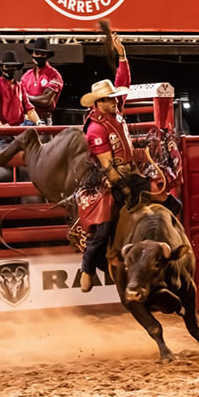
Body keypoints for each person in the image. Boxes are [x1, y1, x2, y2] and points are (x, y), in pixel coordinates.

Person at [78, 33, 132, 293]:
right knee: (104, 226)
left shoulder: (114, 111)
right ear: (99, 103)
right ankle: (87, 267)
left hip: (127, 170)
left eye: (113, 98)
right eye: (109, 99)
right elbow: (107, 165)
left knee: (169, 202)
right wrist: (122, 185)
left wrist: (122, 56)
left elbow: (124, 82)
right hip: (104, 180)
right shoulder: (95, 130)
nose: (114, 101)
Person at [0, 50, 43, 152]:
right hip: (2, 135)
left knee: (22, 163)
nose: (11, 69)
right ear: (1, 68)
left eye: (13, 67)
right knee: (3, 164)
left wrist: (39, 122)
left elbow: (29, 108)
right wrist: (0, 127)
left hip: (18, 132)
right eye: (7, 67)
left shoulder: (20, 86)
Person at [21, 37, 64, 125]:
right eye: (37, 53)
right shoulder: (26, 75)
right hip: (25, 119)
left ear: (47, 56)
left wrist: (25, 97)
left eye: (42, 54)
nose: (39, 56)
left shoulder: (54, 75)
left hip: (43, 119)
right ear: (32, 54)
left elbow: (46, 101)